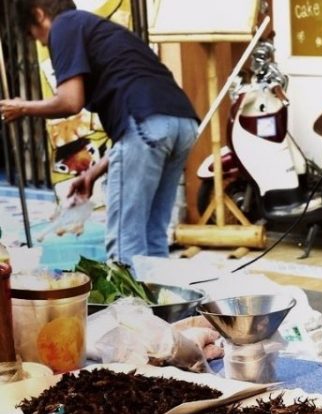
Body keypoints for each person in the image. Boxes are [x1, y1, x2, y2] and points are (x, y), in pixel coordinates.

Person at [0, 0, 199, 267]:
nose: (47, 46)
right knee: (153, 238)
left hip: (146, 123)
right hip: (182, 123)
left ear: (39, 14)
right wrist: (92, 173)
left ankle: (130, 309)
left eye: (41, 39)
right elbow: (141, 136)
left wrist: (22, 107)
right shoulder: (98, 28)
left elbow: (70, 100)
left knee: (125, 244)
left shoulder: (64, 25)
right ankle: (163, 307)